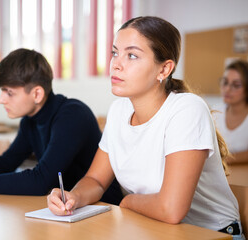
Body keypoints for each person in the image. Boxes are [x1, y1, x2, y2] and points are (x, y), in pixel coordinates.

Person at [47, 16, 244, 239]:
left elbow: (171, 209)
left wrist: (127, 201)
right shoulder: (118, 111)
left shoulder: (187, 109)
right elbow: (96, 180)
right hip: (154, 230)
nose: (116, 64)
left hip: (213, 234)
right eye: (115, 52)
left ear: (164, 69)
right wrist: (73, 197)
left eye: (131, 55)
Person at [0, 48, 123, 204]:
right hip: (63, 207)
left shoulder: (72, 115)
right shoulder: (30, 120)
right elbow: (7, 162)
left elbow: (40, 181)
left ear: (37, 94)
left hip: (101, 207)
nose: (1, 100)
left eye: (9, 93)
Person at [215, 60, 248, 165]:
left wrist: (226, 159)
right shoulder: (215, 112)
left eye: (236, 85)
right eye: (225, 82)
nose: (227, 89)